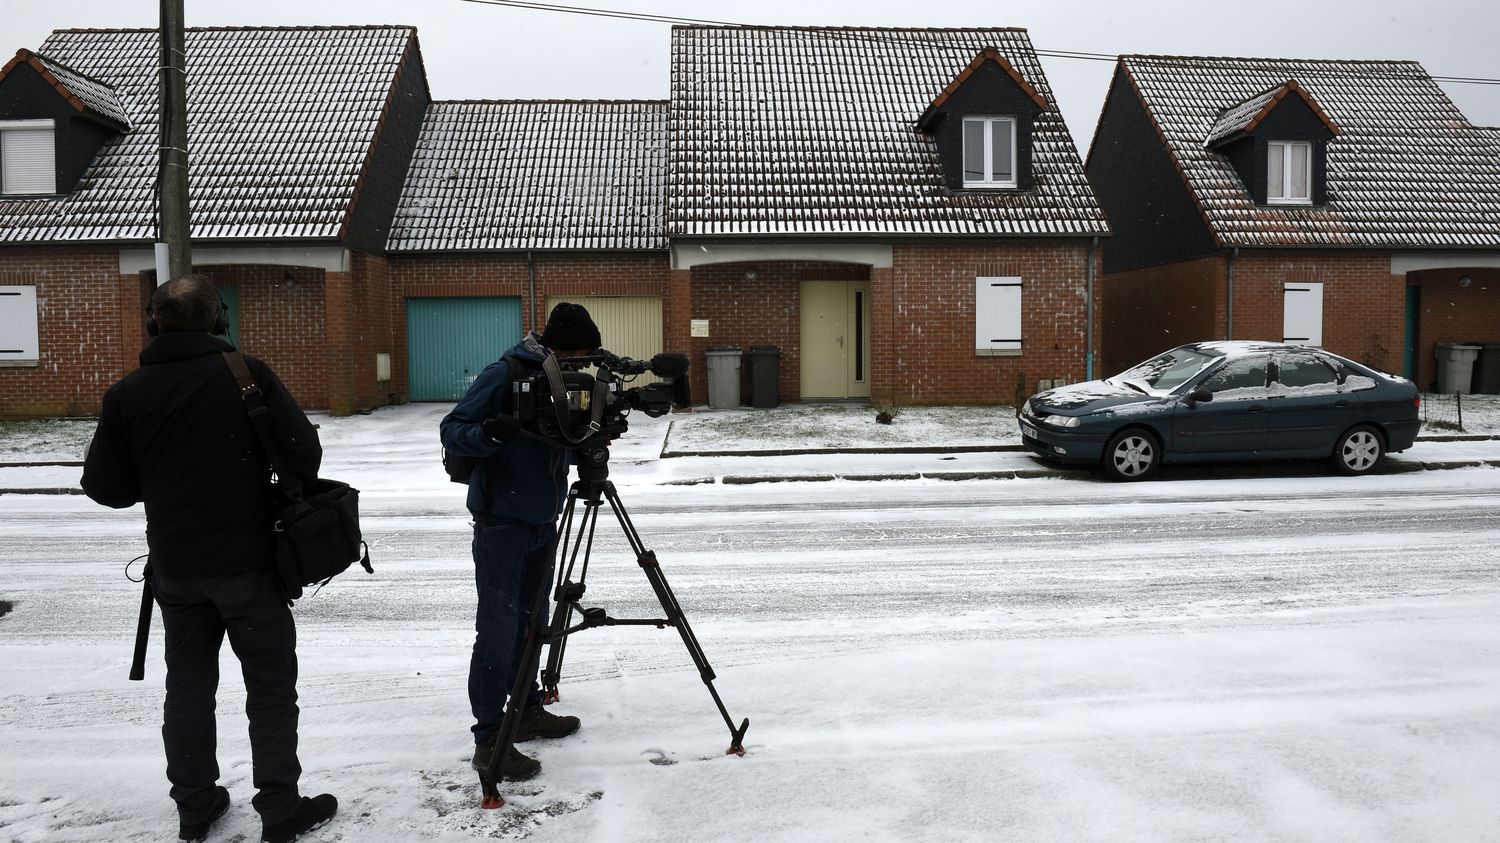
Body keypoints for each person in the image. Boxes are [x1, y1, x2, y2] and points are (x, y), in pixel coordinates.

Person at [81, 275, 337, 843]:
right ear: (219, 323)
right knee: (270, 689)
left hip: (176, 570)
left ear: (154, 324)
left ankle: (195, 805)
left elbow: (107, 488)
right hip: (250, 565)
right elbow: (305, 456)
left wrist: (164, 479)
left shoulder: (127, 394)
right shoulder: (247, 375)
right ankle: (279, 808)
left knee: (188, 687)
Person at [439, 302, 601, 780]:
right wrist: (491, 434)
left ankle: (526, 708)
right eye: (575, 359)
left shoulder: (564, 381)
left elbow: (554, 440)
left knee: (534, 623)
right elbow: (453, 429)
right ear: (555, 349)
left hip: (542, 520)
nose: (579, 369)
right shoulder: (505, 373)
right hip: (500, 524)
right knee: (497, 630)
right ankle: (489, 737)